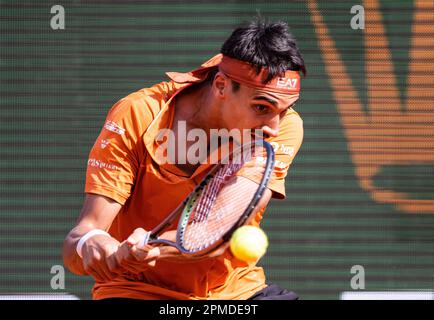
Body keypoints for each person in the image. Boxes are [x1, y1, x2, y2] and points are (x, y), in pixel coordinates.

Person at [62, 19, 306, 300]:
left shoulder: (281, 130)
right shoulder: (137, 115)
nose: (273, 127)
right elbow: (77, 241)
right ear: (222, 85)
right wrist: (91, 243)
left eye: (285, 110)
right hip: (136, 291)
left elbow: (217, 228)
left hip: (235, 294)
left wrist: (153, 247)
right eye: (261, 107)